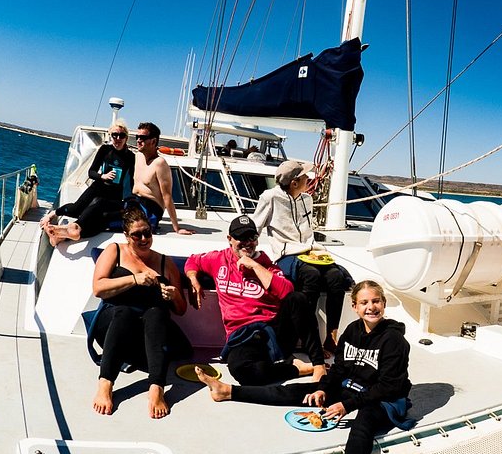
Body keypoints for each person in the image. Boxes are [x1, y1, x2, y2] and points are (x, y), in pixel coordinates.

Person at [196, 280, 411, 454]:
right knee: (297, 391)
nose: (371, 307)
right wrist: (323, 389)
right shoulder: (352, 332)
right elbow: (338, 370)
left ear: (384, 303)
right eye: (364, 302)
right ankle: (228, 391)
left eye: (376, 301)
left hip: (384, 398)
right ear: (354, 307)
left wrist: (347, 405)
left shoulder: (394, 340)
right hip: (351, 387)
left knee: (364, 420)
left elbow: (388, 386)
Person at [184, 214, 325, 385]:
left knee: (298, 298)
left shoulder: (267, 265)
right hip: (242, 334)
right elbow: (193, 261)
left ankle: (318, 365)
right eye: (240, 237)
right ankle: (297, 369)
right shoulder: (218, 260)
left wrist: (255, 266)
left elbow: (287, 292)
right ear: (229, 239)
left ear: (257, 240)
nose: (247, 242)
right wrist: (193, 280)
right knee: (242, 372)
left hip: (274, 331)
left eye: (251, 237)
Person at [89, 205, 188, 418]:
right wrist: (134, 279)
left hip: (148, 336)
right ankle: (105, 383)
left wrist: (174, 296)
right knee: (124, 312)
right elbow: (98, 288)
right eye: (137, 235)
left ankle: (156, 387)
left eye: (147, 233)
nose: (143, 238)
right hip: (114, 324)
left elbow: (180, 309)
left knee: (157, 313)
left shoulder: (164, 262)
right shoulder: (115, 250)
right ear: (126, 235)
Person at [252, 160, 354, 353]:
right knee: (312, 276)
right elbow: (255, 227)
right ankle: (308, 338)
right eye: (305, 176)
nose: (309, 178)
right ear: (294, 182)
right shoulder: (270, 197)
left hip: (311, 252)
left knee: (336, 277)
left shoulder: (307, 199)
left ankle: (332, 336)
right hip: (287, 255)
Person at [42, 121, 134, 245]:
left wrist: (130, 201)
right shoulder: (105, 150)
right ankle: (53, 214)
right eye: (114, 135)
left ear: (126, 138)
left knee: (99, 219)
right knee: (76, 209)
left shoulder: (131, 157)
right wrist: (103, 176)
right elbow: (91, 172)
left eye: (121, 135)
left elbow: (132, 181)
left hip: (114, 195)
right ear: (110, 136)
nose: (118, 138)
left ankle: (67, 234)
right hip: (99, 186)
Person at [128, 121, 192, 235]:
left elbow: (167, 196)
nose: (138, 140)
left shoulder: (160, 163)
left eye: (142, 137)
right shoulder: (138, 156)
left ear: (153, 141)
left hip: (149, 210)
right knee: (101, 207)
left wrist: (176, 228)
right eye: (137, 137)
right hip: (133, 204)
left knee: (106, 217)